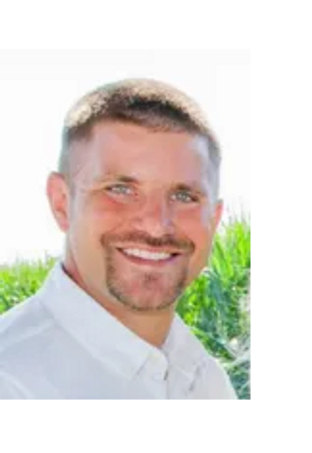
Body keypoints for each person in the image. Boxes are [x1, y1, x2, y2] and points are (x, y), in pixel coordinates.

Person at [0, 79, 238, 403]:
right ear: (61, 203)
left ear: (214, 218)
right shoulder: (11, 381)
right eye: (120, 190)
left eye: (184, 196)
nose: (156, 225)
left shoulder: (207, 382)